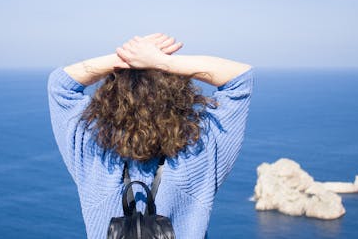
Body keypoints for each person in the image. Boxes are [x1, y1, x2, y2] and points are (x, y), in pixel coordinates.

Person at [47, 33, 254, 238]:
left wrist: (125, 58)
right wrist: (162, 61)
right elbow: (240, 78)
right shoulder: (197, 155)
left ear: (109, 100)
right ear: (179, 99)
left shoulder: (94, 156)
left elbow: (60, 85)